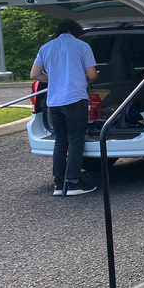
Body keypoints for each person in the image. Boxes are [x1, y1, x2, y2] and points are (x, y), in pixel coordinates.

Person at [30, 19, 98, 197]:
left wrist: (55, 78)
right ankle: (73, 182)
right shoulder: (82, 46)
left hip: (54, 102)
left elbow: (34, 74)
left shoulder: (46, 48)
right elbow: (92, 75)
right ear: (76, 32)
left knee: (60, 141)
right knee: (75, 140)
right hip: (74, 98)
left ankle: (59, 183)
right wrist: (84, 77)